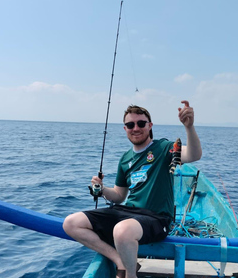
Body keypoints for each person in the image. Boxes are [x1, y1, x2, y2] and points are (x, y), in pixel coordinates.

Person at [63, 100, 202, 278]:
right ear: (125, 129)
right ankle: (119, 260)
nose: (135, 128)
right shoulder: (125, 159)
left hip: (156, 217)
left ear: (150, 126)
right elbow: (119, 196)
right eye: (130, 124)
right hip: (126, 212)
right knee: (71, 223)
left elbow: (194, 154)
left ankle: (130, 275)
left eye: (141, 123)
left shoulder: (163, 147)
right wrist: (102, 189)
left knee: (122, 231)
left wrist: (189, 127)